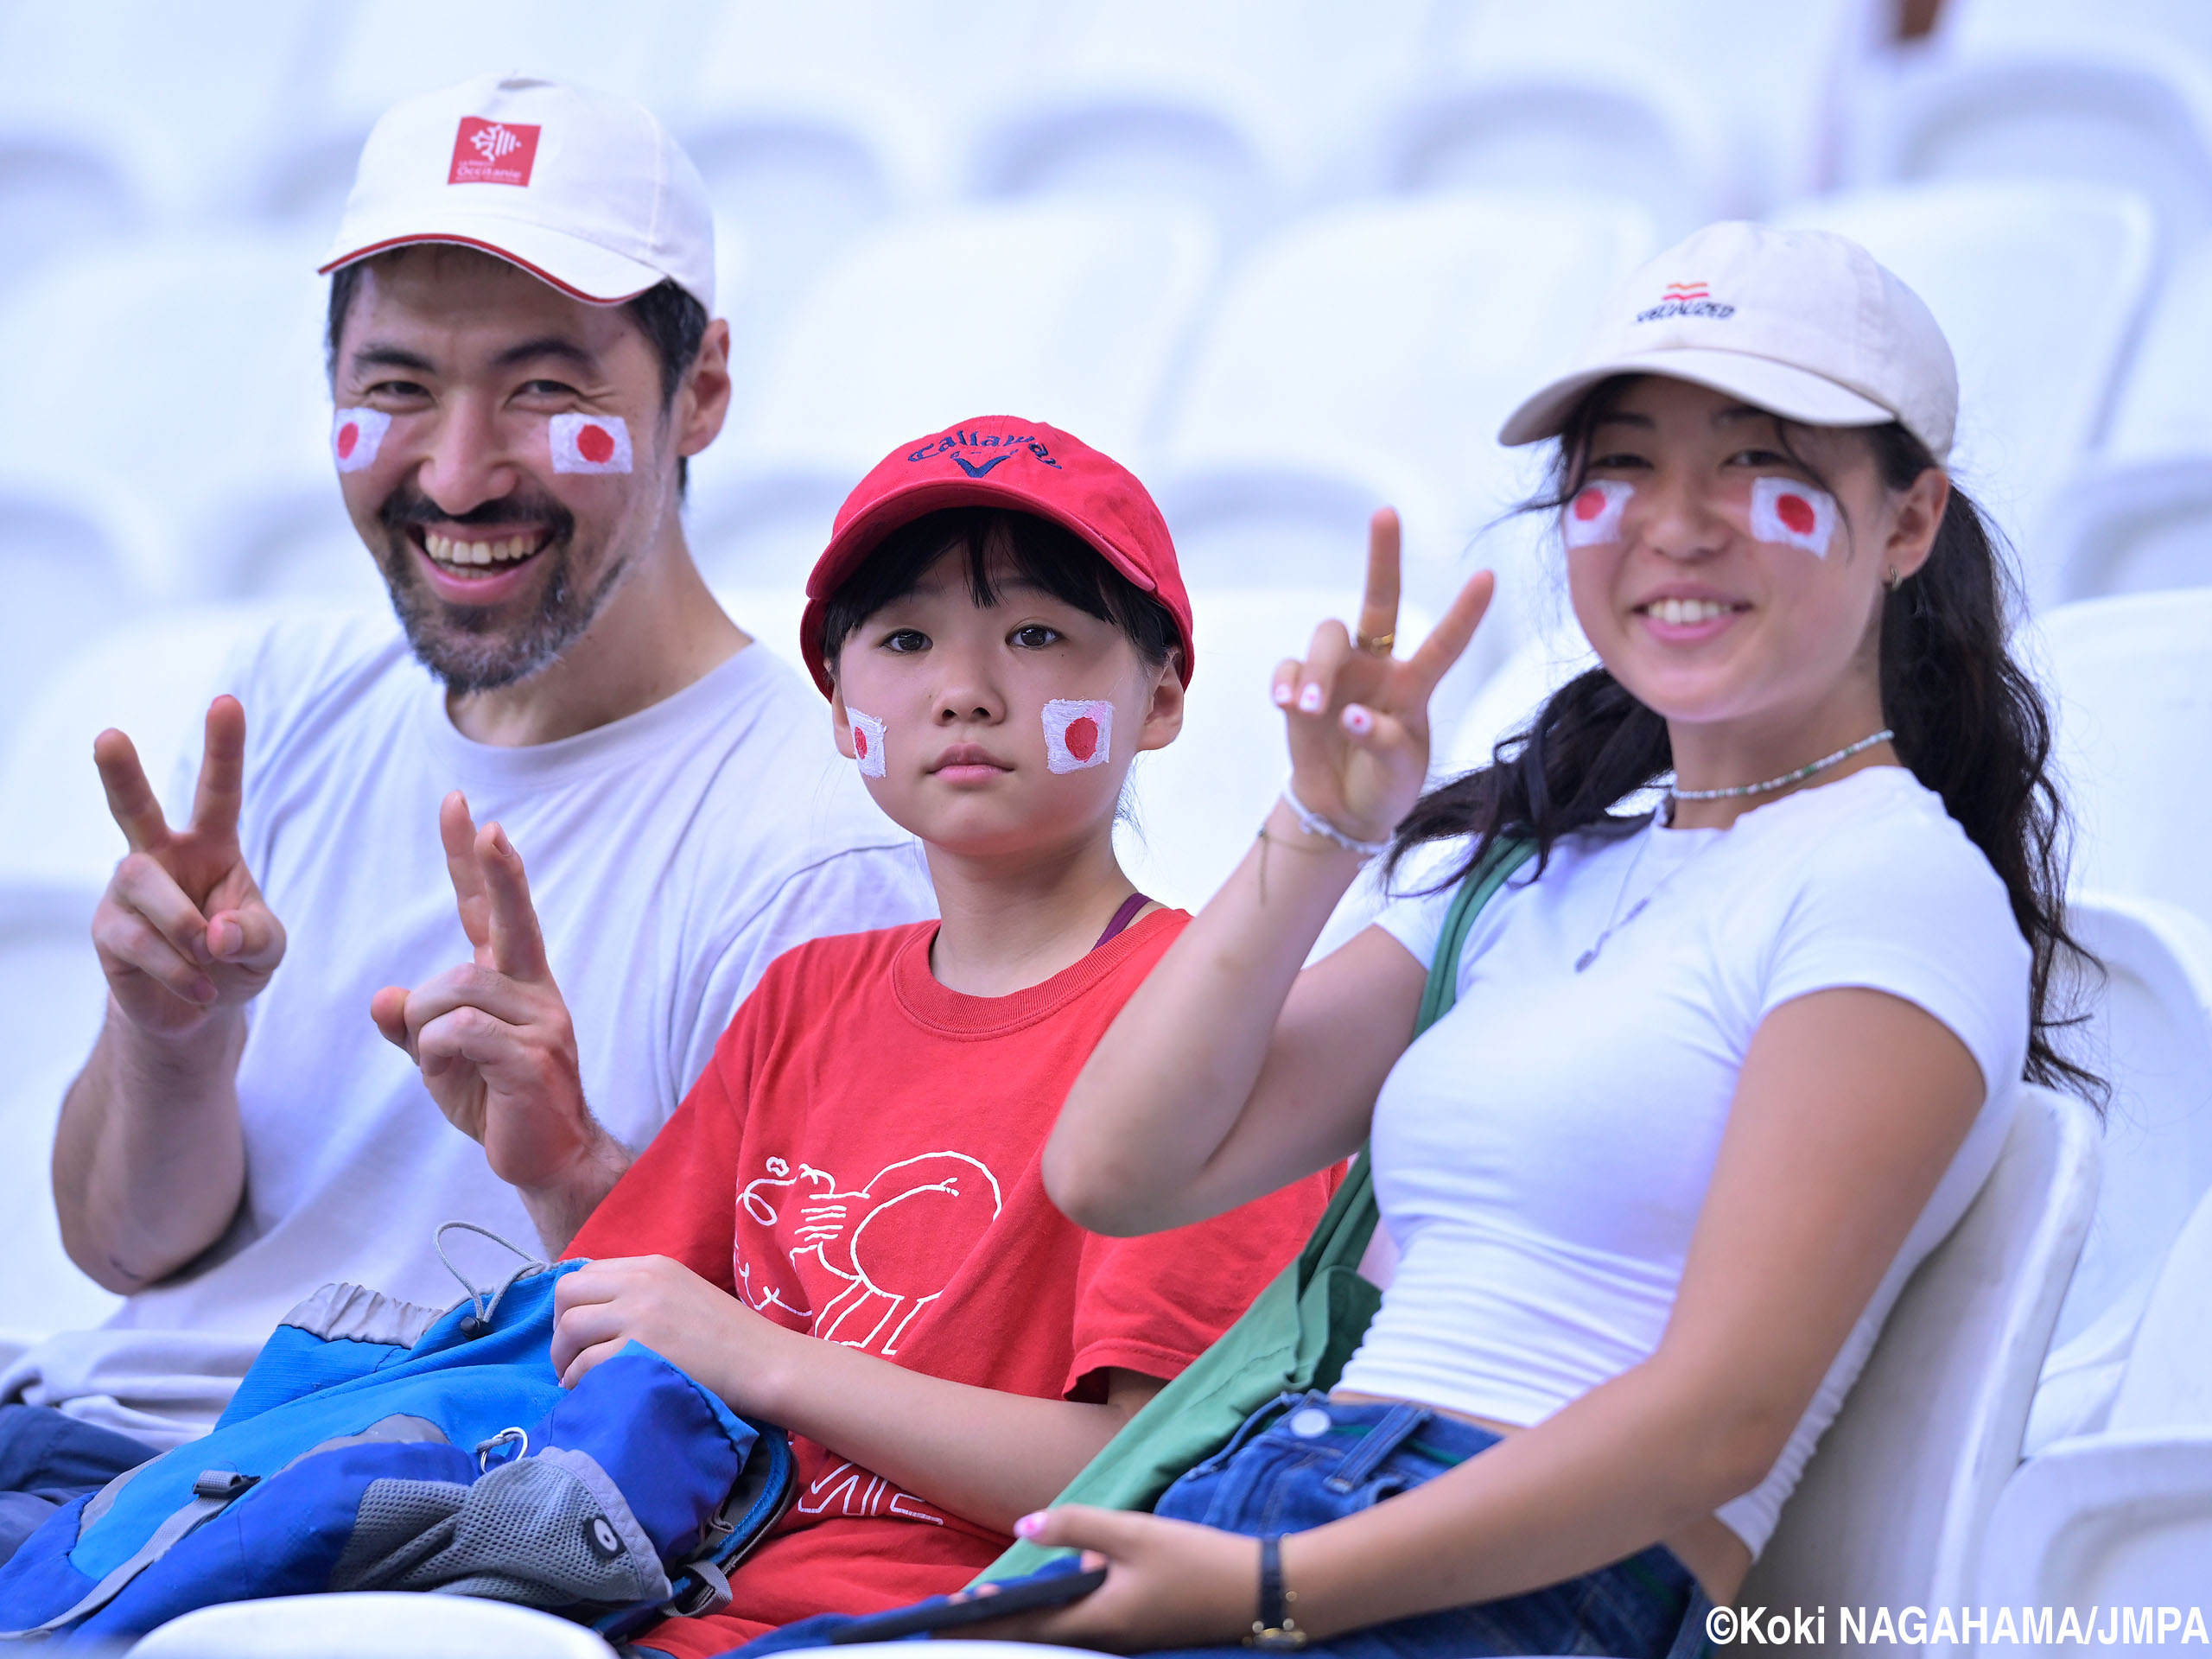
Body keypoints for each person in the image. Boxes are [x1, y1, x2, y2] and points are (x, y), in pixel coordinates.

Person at [988, 222, 2090, 1656]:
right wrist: (1321, 826)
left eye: (1762, 467)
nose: (1676, 524)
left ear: (1909, 522)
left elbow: (1723, 1421)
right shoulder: (1528, 862)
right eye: (1620, 466)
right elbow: (1121, 1171)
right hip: (1292, 1500)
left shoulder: (1894, 886)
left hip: (1504, 1589)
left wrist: (1275, 1589)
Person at [0, 73, 932, 1553]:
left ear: (699, 391)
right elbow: (122, 1245)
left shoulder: (828, 831)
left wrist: (574, 1165)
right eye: (396, 390)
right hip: (81, 1446)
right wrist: (167, 1040)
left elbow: (829, 1395)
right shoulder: (294, 695)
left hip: (364, 1514)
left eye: (546, 390)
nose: (455, 471)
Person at [391, 416, 1338, 1658]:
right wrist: (551, 1161)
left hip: (961, 1630)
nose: (964, 688)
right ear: (841, 710)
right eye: (903, 640)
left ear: (1158, 696)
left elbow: (1148, 1476)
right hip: (659, 1602)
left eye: (1039, 633)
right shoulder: (804, 998)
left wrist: (769, 1362)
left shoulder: (1212, 1018)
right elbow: (643, 1342)